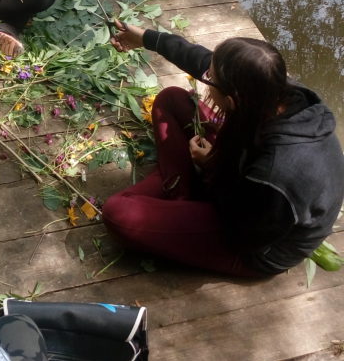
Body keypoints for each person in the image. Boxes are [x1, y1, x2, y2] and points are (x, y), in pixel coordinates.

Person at [103, 24, 344, 277]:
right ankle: (179, 190)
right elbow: (203, 61)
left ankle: (176, 190)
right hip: (245, 178)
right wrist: (147, 38)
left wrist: (213, 168)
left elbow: (244, 234)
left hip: (252, 243)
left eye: (210, 80)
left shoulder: (278, 172)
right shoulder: (271, 86)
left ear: (232, 101)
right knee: (172, 98)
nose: (205, 77)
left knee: (118, 214)